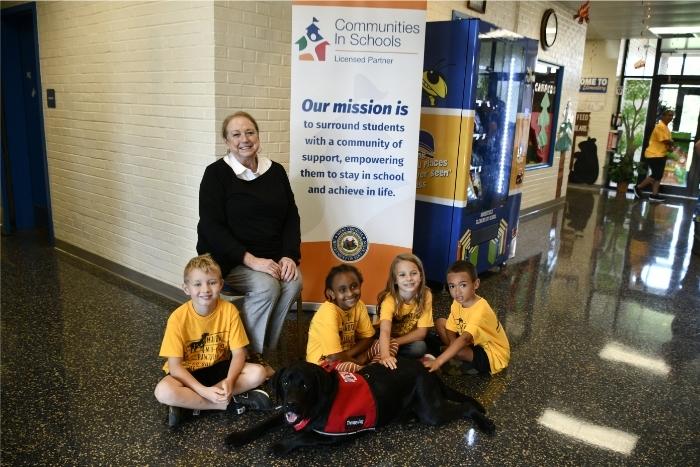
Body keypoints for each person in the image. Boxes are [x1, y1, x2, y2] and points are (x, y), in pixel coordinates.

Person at [196, 111, 301, 360]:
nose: (244, 139)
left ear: (258, 136)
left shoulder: (275, 171)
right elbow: (212, 227)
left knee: (293, 281)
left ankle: (264, 351)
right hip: (230, 260)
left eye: (249, 132)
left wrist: (288, 256)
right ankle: (247, 355)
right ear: (227, 141)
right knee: (267, 287)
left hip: (272, 258)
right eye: (236, 134)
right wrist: (251, 261)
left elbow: (291, 217)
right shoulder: (215, 174)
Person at [154, 254, 272, 428]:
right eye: (197, 284)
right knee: (163, 391)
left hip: (219, 367)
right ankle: (224, 402)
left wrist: (230, 382)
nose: (205, 289)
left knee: (259, 372)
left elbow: (239, 353)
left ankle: (191, 406)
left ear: (221, 285)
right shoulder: (177, 318)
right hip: (188, 373)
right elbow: (175, 367)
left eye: (212, 282)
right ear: (186, 288)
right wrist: (203, 391)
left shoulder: (229, 311)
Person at [423, 260, 510, 376]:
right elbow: (450, 327)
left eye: (463, 285)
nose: (457, 292)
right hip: (470, 340)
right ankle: (451, 352)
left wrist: (438, 361)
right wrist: (453, 343)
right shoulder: (457, 302)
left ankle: (448, 353)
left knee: (456, 349)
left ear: (476, 284)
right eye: (452, 286)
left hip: (492, 353)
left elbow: (464, 339)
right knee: (440, 322)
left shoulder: (481, 310)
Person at [306, 264, 397, 373]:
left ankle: (371, 372)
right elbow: (334, 356)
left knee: (391, 343)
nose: (350, 293)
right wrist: (359, 363)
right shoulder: (327, 313)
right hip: (324, 364)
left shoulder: (359, 305)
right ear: (331, 293)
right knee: (347, 367)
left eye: (354, 286)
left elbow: (368, 338)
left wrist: (352, 357)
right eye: (342, 290)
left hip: (348, 355)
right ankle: (371, 372)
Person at [376, 253, 434, 369]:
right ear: (395, 280)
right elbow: (385, 331)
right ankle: (391, 357)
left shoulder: (426, 294)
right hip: (385, 338)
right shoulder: (389, 300)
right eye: (402, 275)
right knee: (375, 344)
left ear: (421, 275)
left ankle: (396, 357)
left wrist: (394, 344)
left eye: (413, 273)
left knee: (420, 347)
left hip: (406, 340)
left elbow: (421, 333)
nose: (409, 278)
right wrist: (385, 356)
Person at [634, 109, 674, 203]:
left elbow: (666, 143)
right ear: (663, 116)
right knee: (656, 174)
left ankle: (654, 195)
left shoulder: (666, 128)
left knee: (658, 176)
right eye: (669, 115)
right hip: (654, 155)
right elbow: (664, 140)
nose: (670, 117)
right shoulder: (660, 126)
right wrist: (671, 143)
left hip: (661, 154)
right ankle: (638, 187)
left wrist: (669, 148)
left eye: (672, 116)